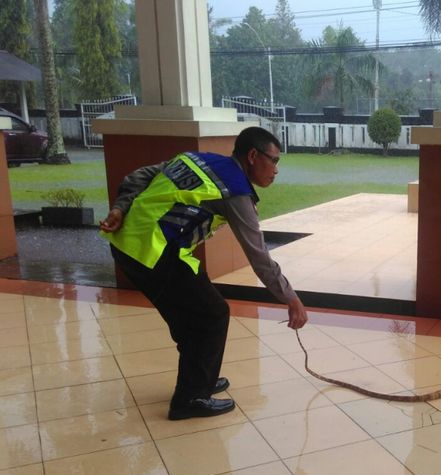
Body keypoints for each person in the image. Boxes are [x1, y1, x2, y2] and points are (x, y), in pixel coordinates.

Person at [99, 126, 307, 420]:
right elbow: (259, 257)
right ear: (252, 156)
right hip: (152, 253)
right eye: (273, 161)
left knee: (191, 316)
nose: (276, 170)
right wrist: (291, 298)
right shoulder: (234, 190)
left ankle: (200, 379)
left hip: (130, 246)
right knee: (213, 314)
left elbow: (138, 177)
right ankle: (190, 397)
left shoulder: (197, 159)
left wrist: (120, 208)